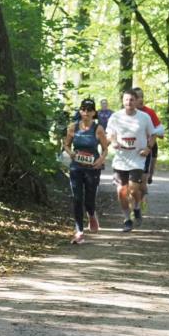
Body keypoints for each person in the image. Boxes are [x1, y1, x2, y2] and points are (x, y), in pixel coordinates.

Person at [106, 90, 156, 232]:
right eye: (126, 100)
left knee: (134, 189)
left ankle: (137, 207)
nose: (129, 102)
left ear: (136, 101)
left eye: (132, 99)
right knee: (121, 192)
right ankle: (127, 219)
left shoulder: (144, 117)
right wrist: (114, 142)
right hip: (121, 159)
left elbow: (153, 135)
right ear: (123, 101)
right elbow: (110, 134)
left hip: (137, 158)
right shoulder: (115, 117)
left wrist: (148, 148)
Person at [62, 99, 109, 243]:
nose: (86, 112)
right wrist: (71, 153)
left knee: (89, 199)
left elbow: (105, 149)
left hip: (92, 168)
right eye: (83, 109)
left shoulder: (98, 129)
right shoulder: (73, 127)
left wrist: (100, 160)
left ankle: (91, 214)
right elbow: (66, 145)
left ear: (94, 112)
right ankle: (79, 232)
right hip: (76, 167)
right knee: (77, 198)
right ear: (80, 111)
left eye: (89, 110)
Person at [131, 87, 165, 214]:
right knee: (132, 183)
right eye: (137, 97)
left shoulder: (149, 112)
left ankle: (141, 200)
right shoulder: (127, 113)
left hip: (148, 148)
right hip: (132, 150)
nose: (141, 100)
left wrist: (152, 137)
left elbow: (160, 132)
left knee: (142, 182)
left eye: (142, 97)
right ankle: (134, 206)